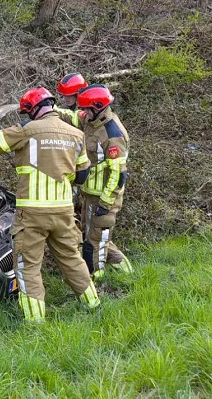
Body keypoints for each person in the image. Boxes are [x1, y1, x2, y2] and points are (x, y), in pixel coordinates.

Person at [0, 87, 100, 322]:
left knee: (28, 266)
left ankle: (35, 323)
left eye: (27, 112)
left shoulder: (26, 130)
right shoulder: (76, 134)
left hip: (32, 214)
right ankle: (93, 304)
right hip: (63, 212)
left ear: (33, 110)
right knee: (72, 258)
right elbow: (82, 176)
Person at [76, 84, 134, 279]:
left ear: (98, 106)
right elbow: (73, 117)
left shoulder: (112, 134)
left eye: (86, 108)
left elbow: (118, 175)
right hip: (89, 194)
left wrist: (105, 204)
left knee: (95, 243)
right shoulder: (91, 121)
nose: (83, 112)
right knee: (96, 237)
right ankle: (126, 271)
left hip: (104, 198)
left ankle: (97, 279)